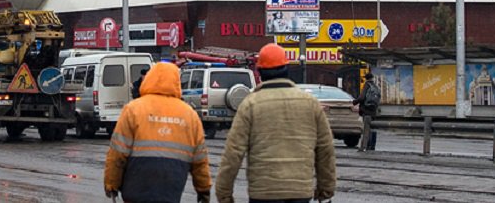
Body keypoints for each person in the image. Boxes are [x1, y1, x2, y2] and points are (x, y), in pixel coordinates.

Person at [216, 44, 336, 203]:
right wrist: (325, 188)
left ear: (260, 72)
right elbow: (325, 148)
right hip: (299, 191)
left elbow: (233, 152)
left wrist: (224, 194)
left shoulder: (250, 104)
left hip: (263, 193)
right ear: (286, 68)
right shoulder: (310, 103)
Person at [104, 62, 212, 203]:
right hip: (171, 186)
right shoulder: (189, 115)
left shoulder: (133, 110)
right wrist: (203, 189)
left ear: (149, 79)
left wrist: (111, 184)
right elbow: (200, 160)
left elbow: (117, 153)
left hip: (136, 186)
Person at [353, 72, 381, 151]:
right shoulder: (376, 87)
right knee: (372, 129)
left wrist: (354, 102)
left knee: (366, 130)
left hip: (366, 110)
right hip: (373, 111)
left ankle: (363, 147)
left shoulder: (367, 85)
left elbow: (361, 98)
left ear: (366, 78)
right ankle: (372, 146)